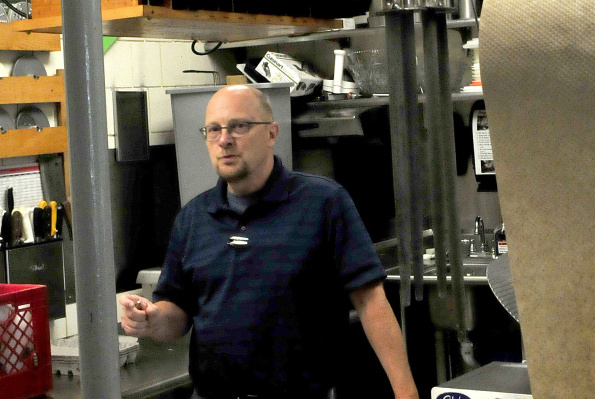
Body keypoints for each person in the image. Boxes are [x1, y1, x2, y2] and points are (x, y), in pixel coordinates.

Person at [120, 83, 418, 399]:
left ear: (272, 134)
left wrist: (406, 392)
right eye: (214, 129)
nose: (225, 139)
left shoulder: (323, 202)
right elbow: (177, 315)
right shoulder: (193, 218)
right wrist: (151, 320)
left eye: (239, 126)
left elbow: (370, 300)